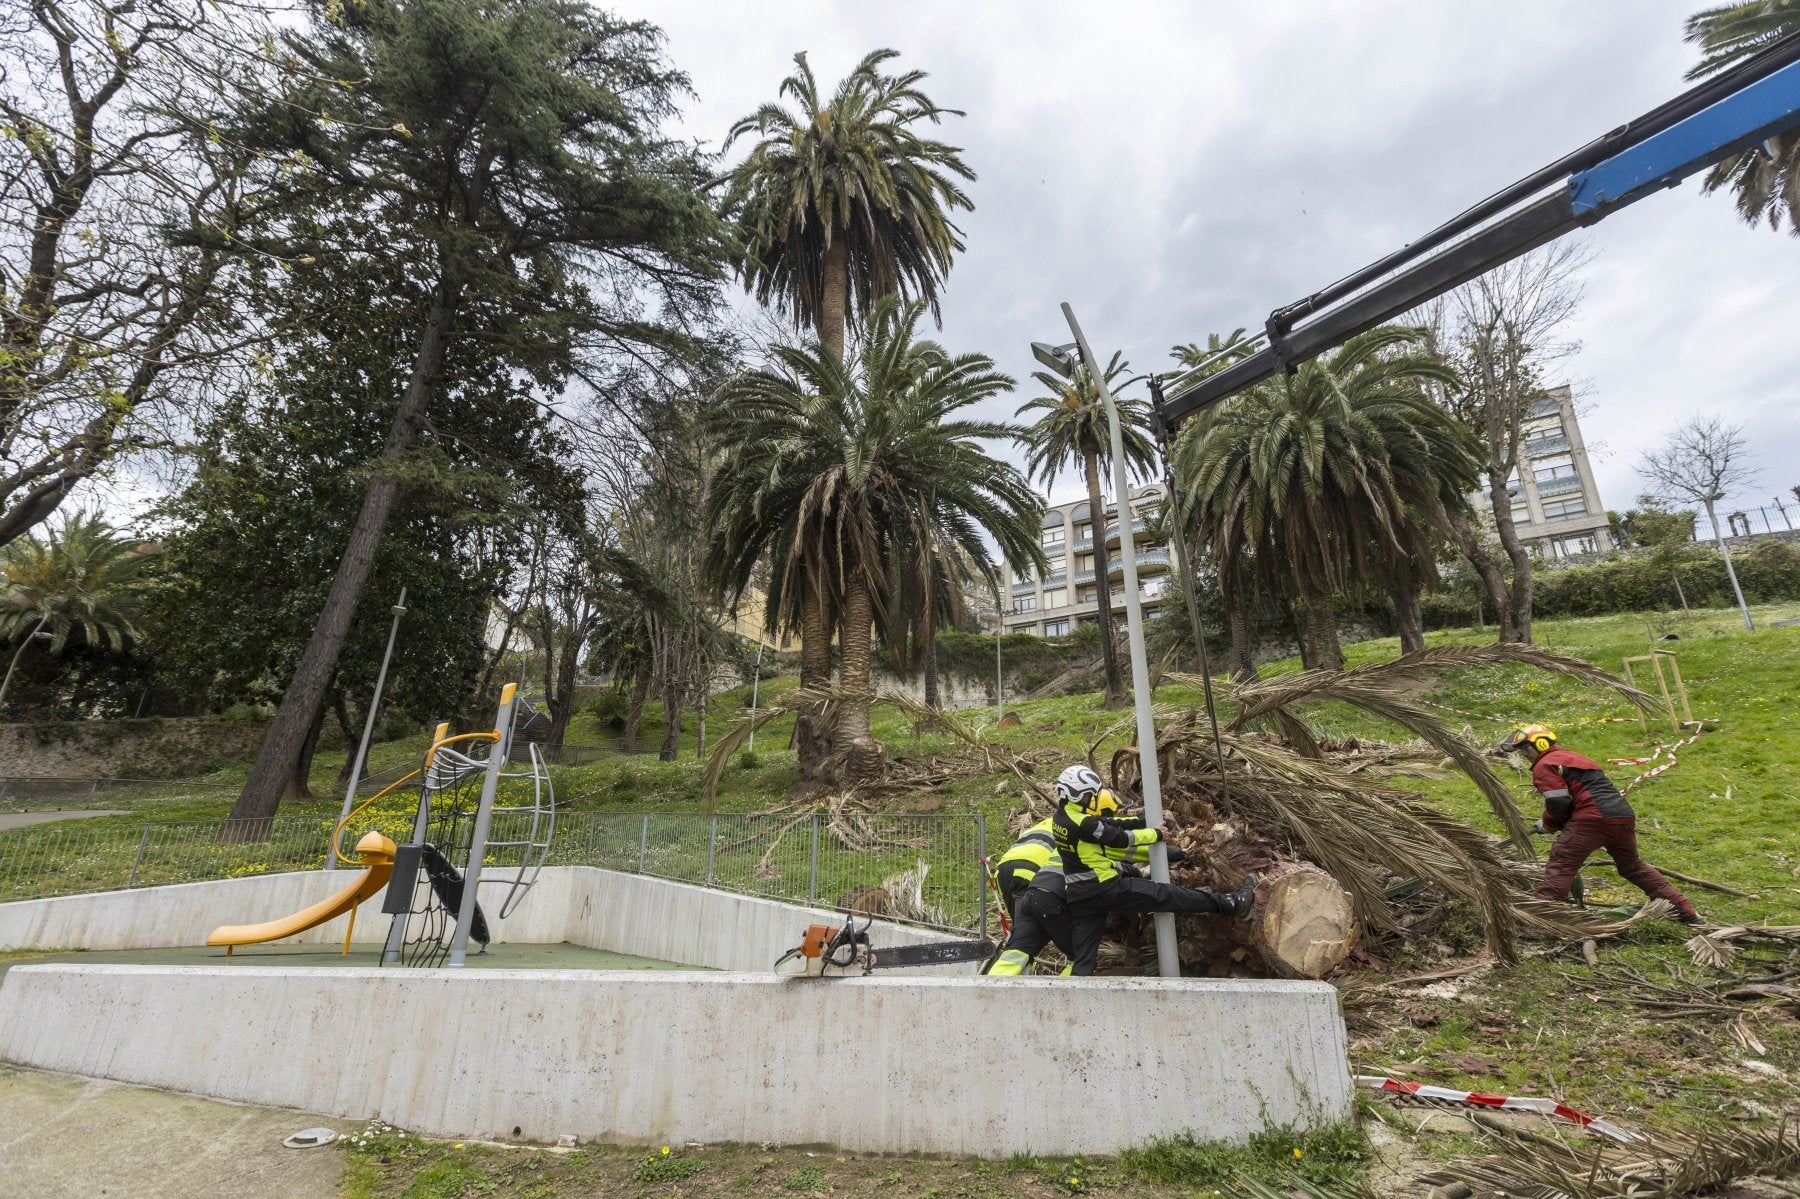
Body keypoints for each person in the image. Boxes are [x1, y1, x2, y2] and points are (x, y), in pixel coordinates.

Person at [992, 764, 1255, 977]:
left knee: (1082, 961)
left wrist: (1142, 819)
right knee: (1168, 895)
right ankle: (1231, 903)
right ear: (1079, 795)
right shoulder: (1084, 824)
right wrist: (1156, 835)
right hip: (1102, 888)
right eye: (1090, 796)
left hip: (1075, 895)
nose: (1092, 799)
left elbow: (1110, 823)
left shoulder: (1062, 817)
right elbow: (1118, 839)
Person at [1500, 723, 1702, 925]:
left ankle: (1541, 915)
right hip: (1621, 815)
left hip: (1592, 819)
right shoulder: (1575, 757)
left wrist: (1548, 823)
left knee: (1563, 861)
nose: (1524, 754)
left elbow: (1558, 801)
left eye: (1526, 748)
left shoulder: (1546, 764)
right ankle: (1685, 911)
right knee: (1632, 865)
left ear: (1541, 744)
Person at [986, 809, 1175, 976]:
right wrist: (1171, 851)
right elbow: (1125, 846)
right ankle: (1061, 993)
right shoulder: (1084, 829)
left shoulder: (1056, 820)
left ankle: (994, 986)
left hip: (1007, 869)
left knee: (1024, 939)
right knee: (1079, 953)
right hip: (1039, 873)